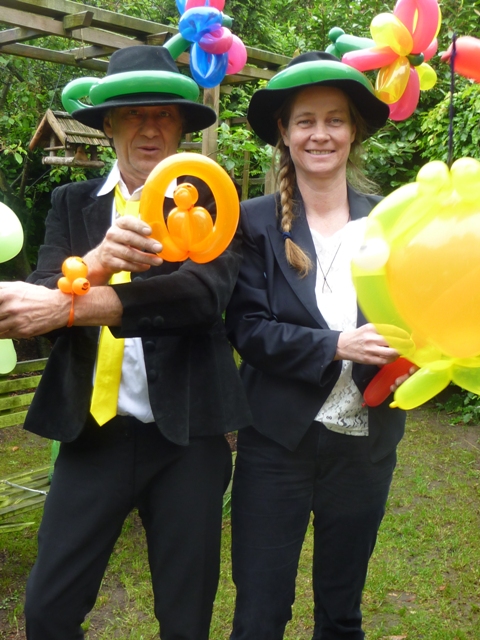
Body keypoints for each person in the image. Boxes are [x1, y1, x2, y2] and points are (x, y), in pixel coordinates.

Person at [0, 45, 251, 640]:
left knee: (185, 618)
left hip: (188, 433)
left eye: (164, 113)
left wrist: (75, 304)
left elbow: (201, 297)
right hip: (92, 434)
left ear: (183, 127)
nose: (149, 126)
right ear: (108, 124)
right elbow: (32, 302)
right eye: (133, 113)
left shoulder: (213, 201)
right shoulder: (72, 203)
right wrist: (92, 261)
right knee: (49, 611)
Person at [225, 51, 408, 639]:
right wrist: (336, 345)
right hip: (275, 444)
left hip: (365, 446)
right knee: (259, 612)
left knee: (341, 608)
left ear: (353, 130)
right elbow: (247, 329)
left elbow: (416, 318)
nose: (320, 133)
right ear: (284, 131)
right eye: (305, 120)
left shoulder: (392, 223)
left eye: (335, 119)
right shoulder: (252, 222)